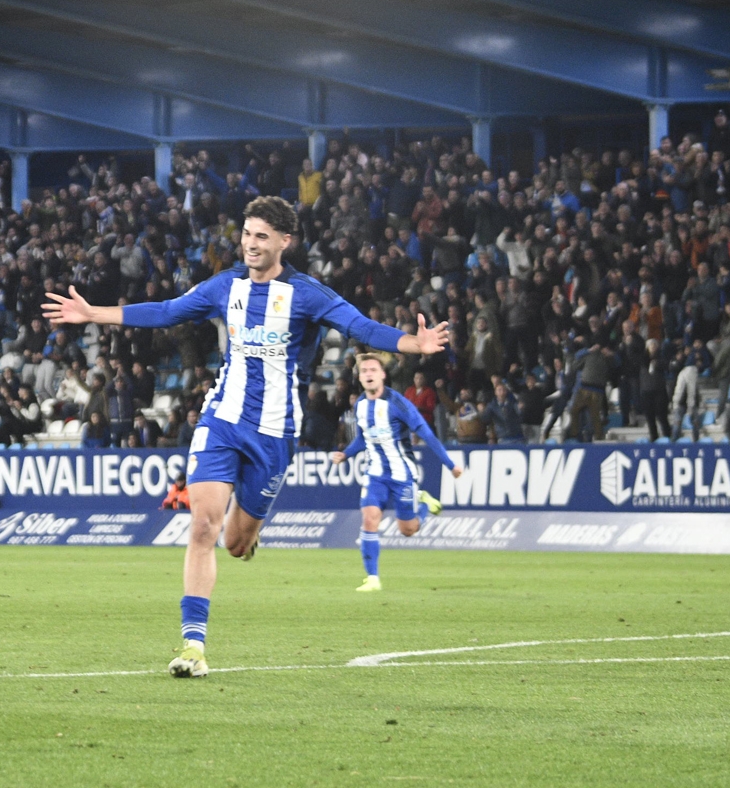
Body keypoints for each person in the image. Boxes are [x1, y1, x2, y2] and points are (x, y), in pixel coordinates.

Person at [44, 195, 449, 679]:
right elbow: (169, 311)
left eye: (261, 236)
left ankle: (248, 538)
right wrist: (95, 314)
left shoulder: (308, 294)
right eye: (246, 233)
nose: (250, 244)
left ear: (284, 241)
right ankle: (193, 646)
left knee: (236, 543)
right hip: (221, 421)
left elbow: (360, 326)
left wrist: (412, 343)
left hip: (275, 434)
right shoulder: (224, 285)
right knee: (201, 527)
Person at [330, 352, 461, 592]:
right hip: (375, 474)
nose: (368, 374)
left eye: (373, 370)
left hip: (402, 474)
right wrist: (346, 454)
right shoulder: (359, 405)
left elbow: (426, 434)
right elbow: (363, 439)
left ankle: (424, 505)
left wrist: (450, 464)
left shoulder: (398, 404)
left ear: (383, 375)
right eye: (364, 371)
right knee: (369, 519)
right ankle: (372, 578)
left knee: (407, 530)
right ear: (360, 377)